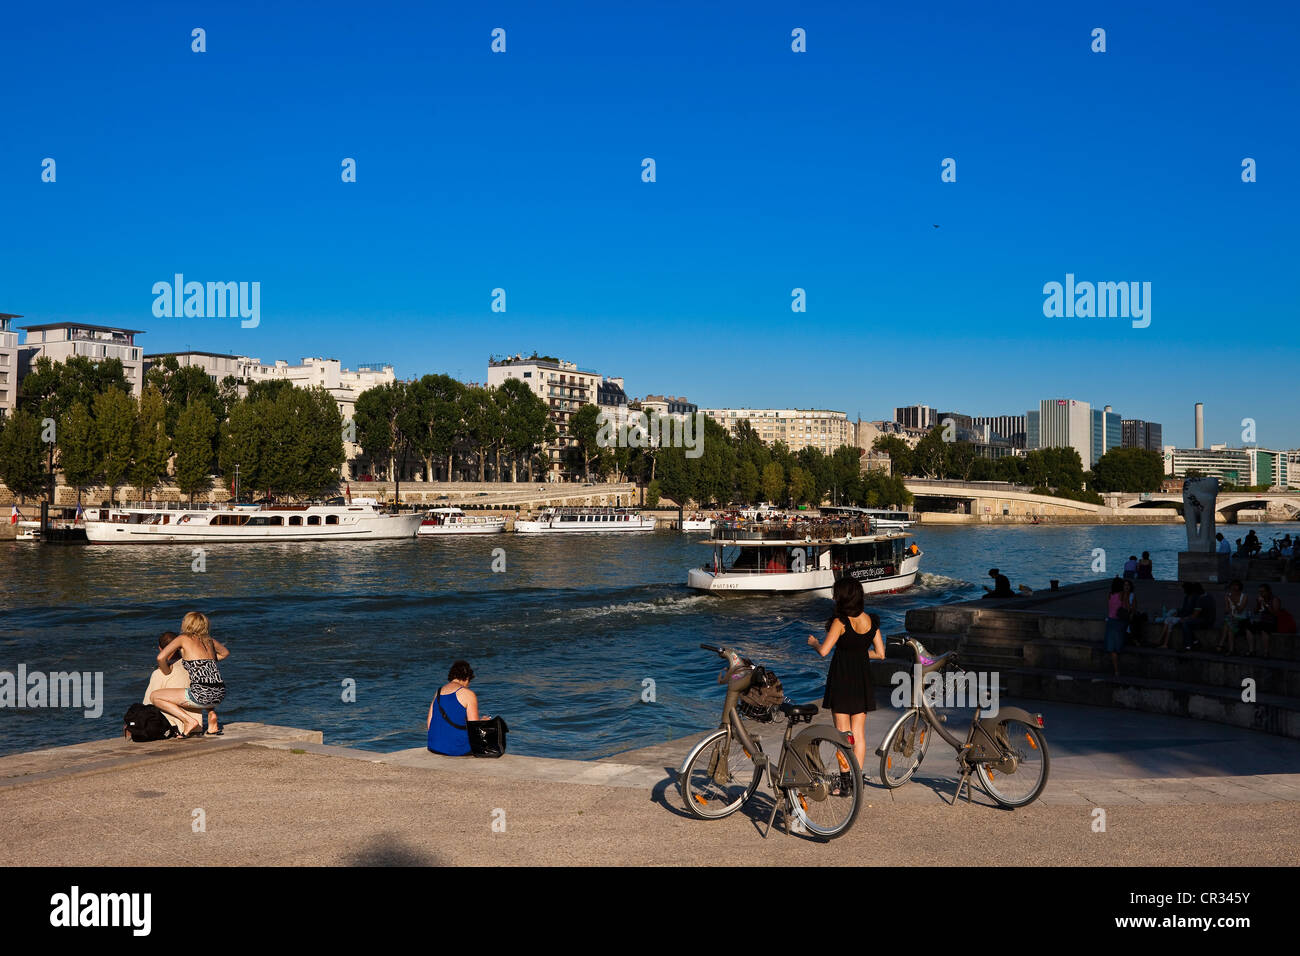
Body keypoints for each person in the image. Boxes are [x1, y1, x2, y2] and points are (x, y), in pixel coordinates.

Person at [808, 577, 885, 791]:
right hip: (862, 679)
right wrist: (860, 653)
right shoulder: (871, 620)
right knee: (858, 734)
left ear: (841, 597)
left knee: (843, 734)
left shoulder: (840, 622)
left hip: (842, 679)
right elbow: (880, 654)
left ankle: (845, 784)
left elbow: (824, 651)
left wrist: (814, 642)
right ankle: (857, 781)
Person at [151, 612, 229, 738]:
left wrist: (166, 671)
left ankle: (188, 721)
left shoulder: (183, 638)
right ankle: (212, 720)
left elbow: (161, 657)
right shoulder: (209, 640)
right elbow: (225, 653)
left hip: (202, 695)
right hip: (220, 693)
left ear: (187, 624)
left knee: (155, 697)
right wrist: (206, 662)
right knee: (205, 683)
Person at [140, 630, 202, 735]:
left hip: (174, 729)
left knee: (151, 701)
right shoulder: (193, 666)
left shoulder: (160, 673)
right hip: (198, 727)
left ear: (160, 649)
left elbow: (147, 706)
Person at [427, 660, 486, 756]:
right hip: (457, 749)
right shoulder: (468, 694)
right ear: (467, 678)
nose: (468, 684)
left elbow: (430, 724)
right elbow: (474, 728)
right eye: (469, 681)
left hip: (434, 746)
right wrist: (483, 722)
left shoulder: (438, 693)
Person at [1217, 580, 1249, 655]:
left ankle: (1221, 644)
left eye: (1235, 588)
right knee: (1229, 627)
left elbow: (1240, 610)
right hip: (1232, 618)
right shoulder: (1228, 596)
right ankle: (1230, 650)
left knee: (1228, 624)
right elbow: (1227, 610)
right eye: (1232, 588)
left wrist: (1233, 600)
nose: (1233, 590)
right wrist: (1227, 607)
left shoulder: (1244, 596)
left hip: (1242, 618)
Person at [1104, 578, 1126, 675]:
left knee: (1112, 648)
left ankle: (1116, 670)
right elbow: (1125, 606)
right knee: (1118, 645)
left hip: (1110, 621)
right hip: (1119, 621)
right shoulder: (1122, 595)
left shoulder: (1110, 595)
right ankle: (1118, 670)